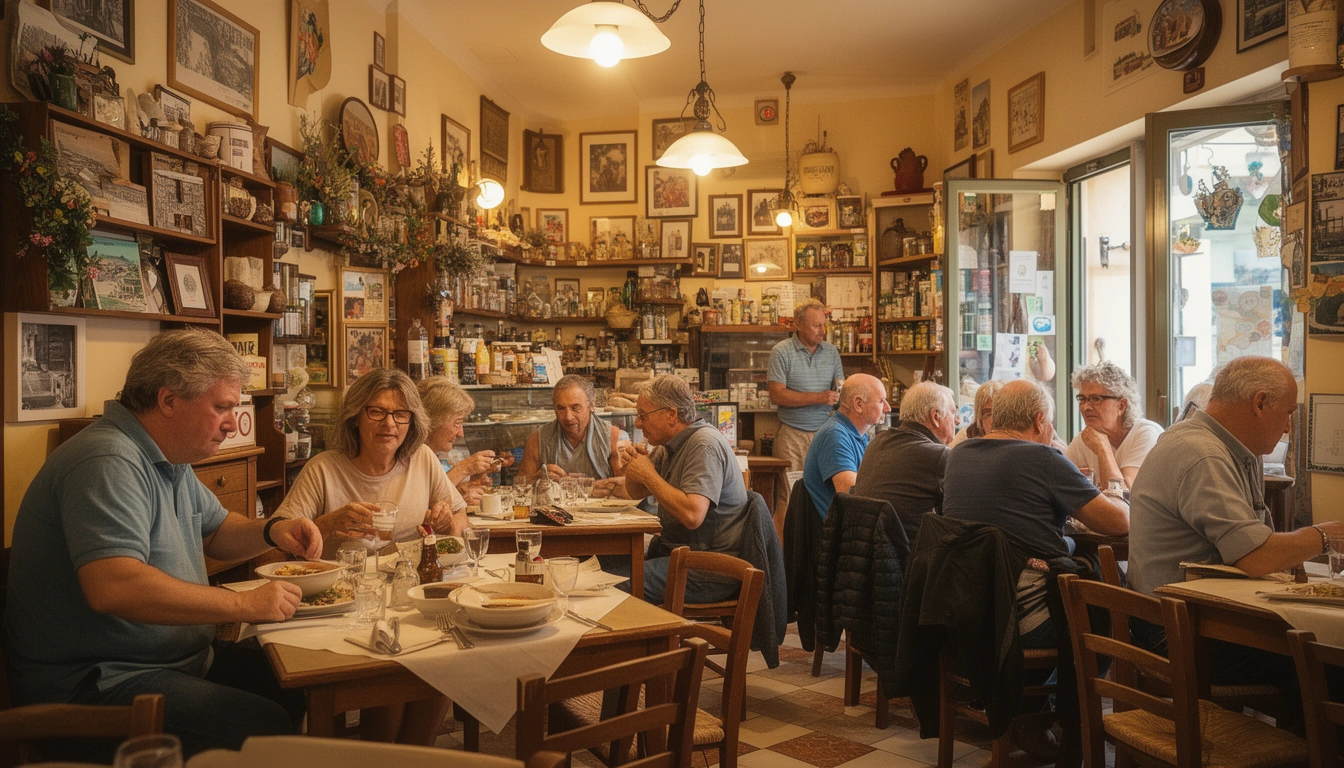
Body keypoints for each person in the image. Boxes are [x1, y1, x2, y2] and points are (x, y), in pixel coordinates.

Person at [5, 329, 322, 758]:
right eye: (222, 407)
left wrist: (273, 531)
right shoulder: (108, 460)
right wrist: (243, 605)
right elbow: (115, 586)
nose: (232, 422)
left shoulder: (167, 457)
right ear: (168, 400)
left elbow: (216, 530)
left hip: (173, 664)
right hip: (96, 684)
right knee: (260, 725)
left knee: (300, 680)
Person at [1128, 356, 1344, 689]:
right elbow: (1256, 556)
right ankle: (1297, 742)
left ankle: (1299, 740)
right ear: (1260, 403)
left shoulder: (1233, 450)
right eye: (1288, 413)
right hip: (1177, 635)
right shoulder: (1203, 454)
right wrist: (1326, 535)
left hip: (1194, 617)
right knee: (1325, 665)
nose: (1288, 427)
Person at [943, 379, 1129, 649]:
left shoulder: (958, 455)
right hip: (1023, 618)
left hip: (965, 612)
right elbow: (1118, 522)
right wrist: (1118, 497)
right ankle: (1083, 689)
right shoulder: (1043, 458)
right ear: (1040, 420)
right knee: (1107, 588)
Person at [275, 368, 466, 559]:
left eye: (400, 414)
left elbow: (461, 518)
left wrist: (447, 524)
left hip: (409, 583)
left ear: (412, 421)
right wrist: (326, 525)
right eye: (376, 412)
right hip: (342, 584)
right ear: (355, 417)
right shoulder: (322, 469)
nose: (389, 423)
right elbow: (275, 549)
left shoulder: (422, 458)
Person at [611, 375, 750, 605]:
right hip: (678, 556)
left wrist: (648, 474)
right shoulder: (669, 445)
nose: (638, 423)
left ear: (672, 415)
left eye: (643, 415)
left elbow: (692, 515)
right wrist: (635, 467)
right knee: (607, 566)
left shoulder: (703, 444)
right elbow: (635, 493)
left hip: (708, 569)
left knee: (611, 588)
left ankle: (646, 639)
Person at [852, 381, 958, 542]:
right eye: (953, 413)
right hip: (909, 558)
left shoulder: (877, 443)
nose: (956, 421)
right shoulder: (939, 456)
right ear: (935, 416)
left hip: (866, 555)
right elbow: (961, 514)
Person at [768, 298, 845, 512]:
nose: (823, 331)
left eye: (824, 324)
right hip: (792, 437)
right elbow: (777, 395)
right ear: (798, 324)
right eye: (816, 325)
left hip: (825, 434)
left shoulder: (831, 352)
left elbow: (841, 388)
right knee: (789, 499)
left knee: (825, 498)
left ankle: (819, 546)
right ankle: (787, 547)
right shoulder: (781, 351)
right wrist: (820, 397)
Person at [801, 374, 890, 519]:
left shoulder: (860, 435)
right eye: (881, 401)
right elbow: (852, 495)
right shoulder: (834, 435)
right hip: (838, 535)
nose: (888, 408)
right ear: (858, 404)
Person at [1064, 362, 1163, 488]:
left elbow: (1126, 497)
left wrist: (1102, 450)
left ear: (1121, 406)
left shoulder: (1146, 434)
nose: (1086, 407)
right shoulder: (1085, 439)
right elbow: (1059, 483)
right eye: (1082, 399)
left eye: (1096, 399)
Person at [417, 376, 512, 506]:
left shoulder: (433, 456)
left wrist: (470, 482)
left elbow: (438, 489)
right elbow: (423, 501)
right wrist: (465, 468)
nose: (461, 433)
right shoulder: (411, 455)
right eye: (457, 423)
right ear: (433, 421)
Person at [519, 374, 626, 482]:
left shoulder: (613, 438)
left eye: (575, 408)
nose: (568, 417)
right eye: (561, 409)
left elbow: (627, 487)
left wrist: (591, 487)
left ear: (592, 405)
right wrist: (537, 478)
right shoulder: (538, 440)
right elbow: (518, 484)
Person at [951, 379, 1002, 445]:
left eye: (998, 413)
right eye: (988, 414)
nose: (994, 420)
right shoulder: (966, 436)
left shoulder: (1013, 437)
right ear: (979, 417)